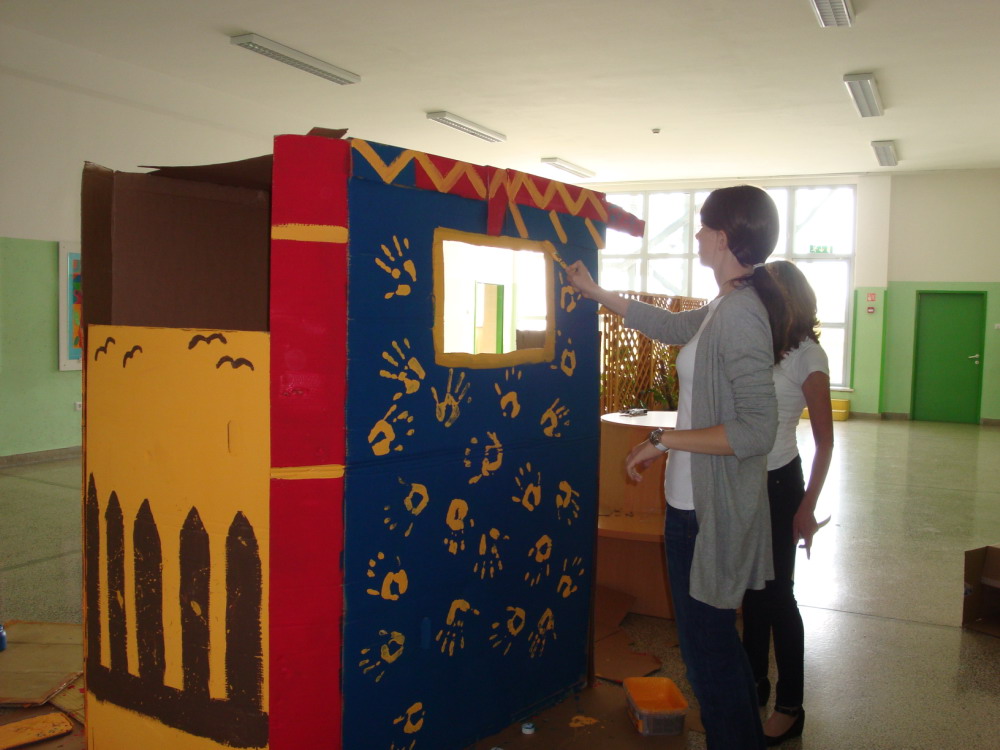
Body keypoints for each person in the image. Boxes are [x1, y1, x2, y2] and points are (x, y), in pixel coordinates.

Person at [567, 184, 786, 750]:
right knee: (711, 649)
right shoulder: (723, 306)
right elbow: (668, 327)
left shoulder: (741, 315)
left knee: (708, 654)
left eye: (703, 227)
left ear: (724, 238)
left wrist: (663, 439)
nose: (696, 235)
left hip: (708, 514)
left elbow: (756, 430)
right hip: (688, 504)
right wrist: (596, 292)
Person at [741, 260, 833, 746]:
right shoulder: (764, 344)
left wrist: (806, 506)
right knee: (753, 590)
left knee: (778, 596)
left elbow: (825, 441)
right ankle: (753, 682)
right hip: (747, 481)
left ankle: (790, 706)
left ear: (788, 298)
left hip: (780, 484)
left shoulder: (808, 356)